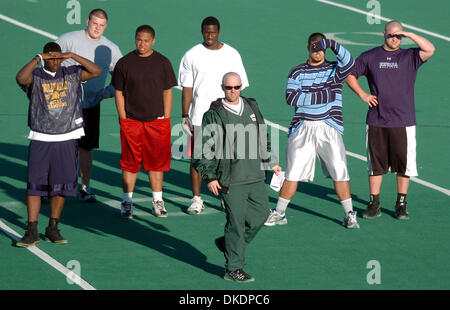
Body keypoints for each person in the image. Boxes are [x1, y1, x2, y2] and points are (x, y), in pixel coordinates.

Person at [265, 33, 359, 229]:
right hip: (302, 127)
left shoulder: (335, 69)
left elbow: (350, 63)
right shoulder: (297, 72)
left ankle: (349, 214)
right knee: (292, 173)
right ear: (308, 47)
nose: (318, 51)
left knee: (340, 171)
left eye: (322, 48)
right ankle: (279, 213)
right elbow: (291, 98)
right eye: (315, 47)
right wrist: (325, 94)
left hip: (329, 127)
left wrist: (332, 43)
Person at [193, 72, 281, 282]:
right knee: (236, 223)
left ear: (242, 87)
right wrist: (210, 177)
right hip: (230, 180)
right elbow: (204, 148)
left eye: (236, 87)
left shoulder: (251, 106)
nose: (232, 91)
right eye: (228, 88)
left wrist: (271, 161)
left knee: (260, 217)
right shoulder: (213, 114)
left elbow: (262, 135)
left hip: (255, 176)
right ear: (222, 87)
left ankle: (228, 243)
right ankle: (234, 268)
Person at [346, 21, 435, 220]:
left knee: (404, 165)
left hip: (403, 121)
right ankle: (374, 203)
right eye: (391, 35)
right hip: (377, 120)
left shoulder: (410, 56)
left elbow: (430, 49)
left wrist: (410, 33)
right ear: (383, 34)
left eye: (399, 36)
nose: (395, 39)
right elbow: (350, 75)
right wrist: (362, 94)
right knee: (375, 165)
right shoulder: (370, 56)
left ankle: (401, 203)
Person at [15, 42, 101, 247]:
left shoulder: (72, 73)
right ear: (45, 57)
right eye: (50, 58)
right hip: (41, 137)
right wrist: (38, 58)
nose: (55, 62)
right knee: (35, 186)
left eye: (58, 58)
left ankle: (53, 226)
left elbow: (96, 71)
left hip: (67, 137)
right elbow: (20, 78)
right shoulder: (36, 76)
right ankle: (32, 228)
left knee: (60, 186)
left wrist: (71, 55)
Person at [178, 16, 249, 215]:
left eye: (213, 32)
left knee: (228, 158)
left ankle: (226, 197)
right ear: (202, 31)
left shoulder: (232, 54)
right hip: (200, 115)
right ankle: (196, 199)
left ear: (219, 32)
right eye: (206, 32)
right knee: (198, 159)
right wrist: (185, 115)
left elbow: (239, 87)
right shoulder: (191, 55)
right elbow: (187, 88)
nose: (210, 36)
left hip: (227, 115)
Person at [56, 8, 122, 202]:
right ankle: (53, 186)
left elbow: (121, 75)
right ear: (87, 21)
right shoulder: (69, 39)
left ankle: (85, 187)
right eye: (95, 23)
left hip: (91, 106)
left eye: (101, 25)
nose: (97, 28)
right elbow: (50, 61)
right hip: (64, 105)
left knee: (86, 148)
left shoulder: (111, 48)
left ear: (106, 26)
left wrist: (108, 92)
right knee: (60, 146)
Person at [112, 25, 177, 219]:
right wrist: (123, 117)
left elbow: (167, 92)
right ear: (135, 39)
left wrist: (165, 118)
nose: (142, 44)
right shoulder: (124, 63)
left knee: (156, 164)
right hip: (131, 121)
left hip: (157, 122)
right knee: (129, 163)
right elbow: (119, 92)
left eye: (146, 40)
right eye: (139, 39)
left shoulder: (163, 62)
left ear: (153, 41)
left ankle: (157, 201)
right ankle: (127, 201)